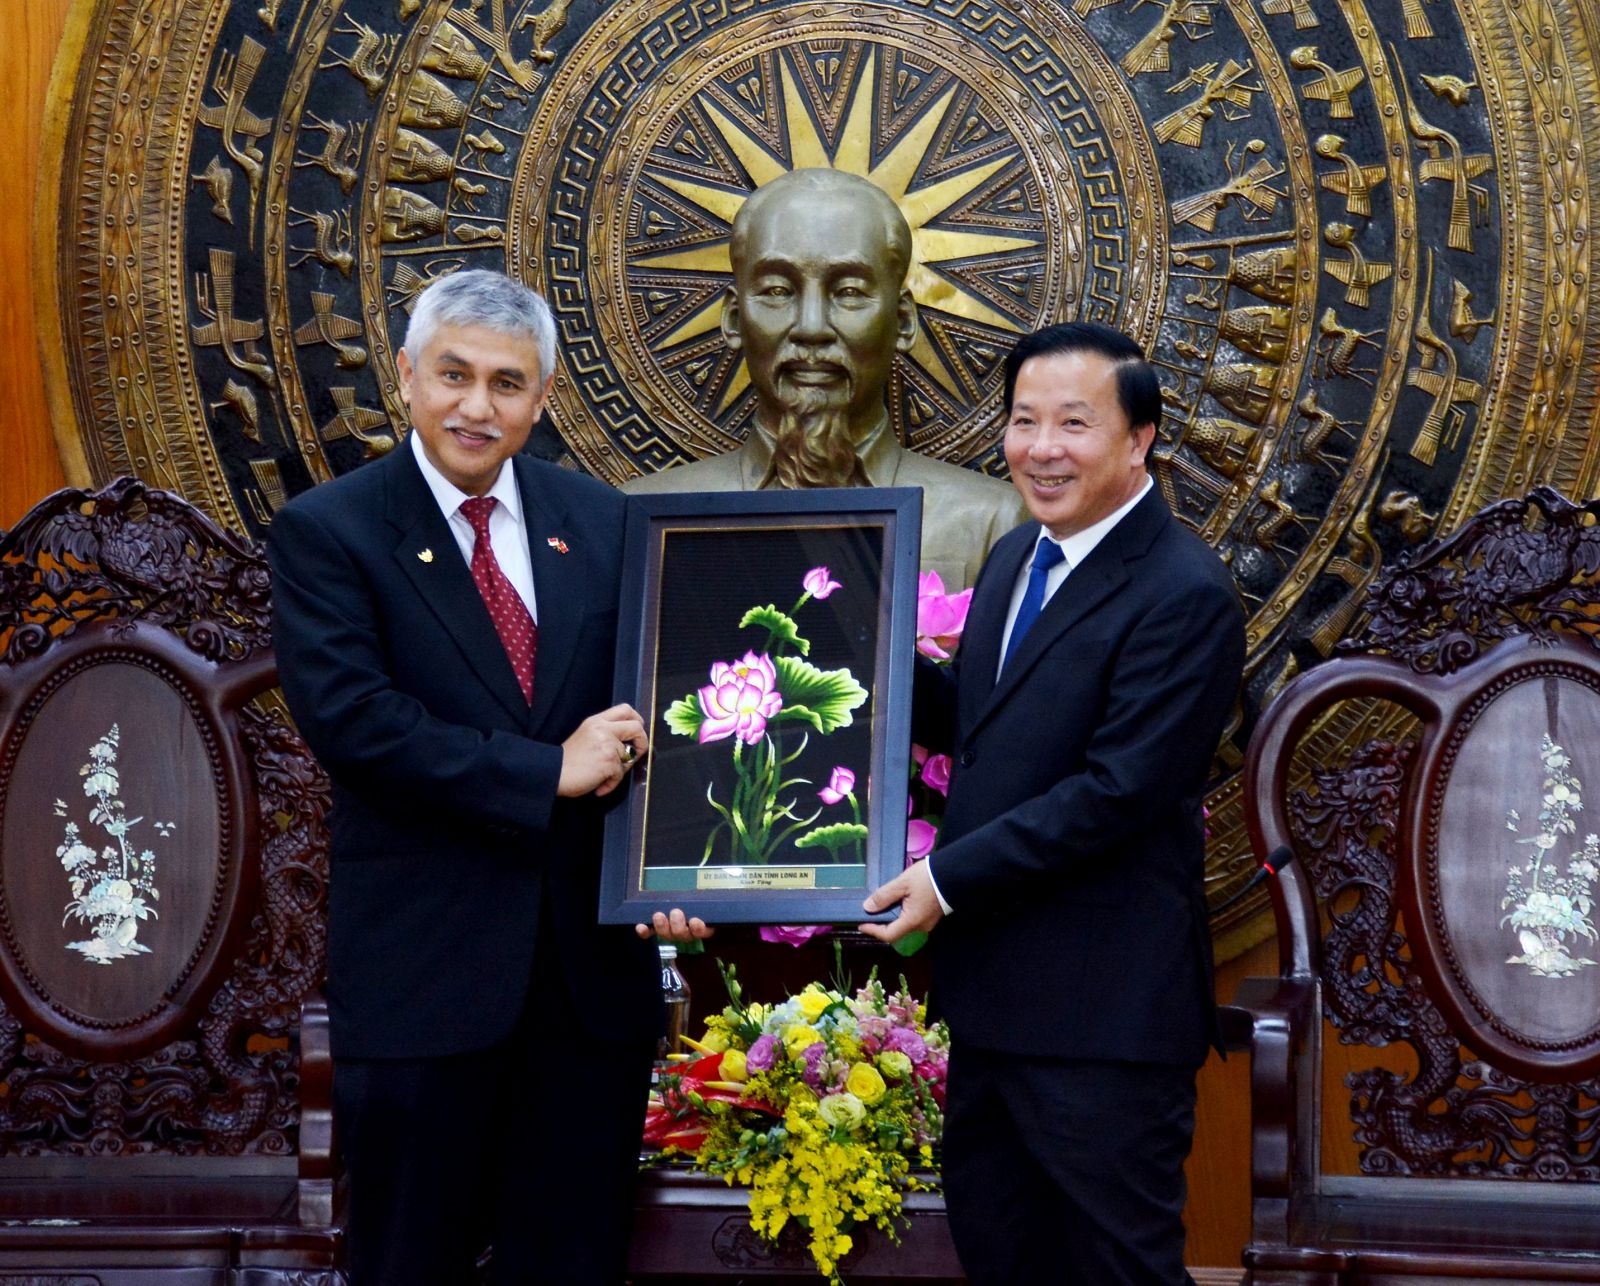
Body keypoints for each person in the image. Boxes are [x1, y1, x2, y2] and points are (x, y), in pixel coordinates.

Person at [268, 269, 707, 1285]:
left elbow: (661, 710)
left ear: (542, 396)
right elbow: (357, 724)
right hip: (425, 985)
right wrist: (544, 769)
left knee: (573, 1259)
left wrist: (677, 867)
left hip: (586, 990)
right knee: (407, 1262)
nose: (477, 405)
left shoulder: (602, 521)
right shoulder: (331, 532)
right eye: (454, 374)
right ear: (408, 376)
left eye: (506, 383)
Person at [860, 322, 1247, 1285]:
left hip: (1102, 1021)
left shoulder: (1184, 592)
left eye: (1073, 423)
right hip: (992, 1007)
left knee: (1115, 1271)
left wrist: (945, 879)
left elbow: (1117, 791)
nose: (1042, 447)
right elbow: (992, 737)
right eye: (1024, 420)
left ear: (1139, 438)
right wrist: (868, 665)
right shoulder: (1016, 560)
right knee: (1003, 1259)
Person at [624, 167, 1025, 592]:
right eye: (777, 291)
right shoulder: (637, 516)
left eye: (849, 292)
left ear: (904, 321)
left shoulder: (993, 524)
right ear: (735, 318)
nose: (811, 327)